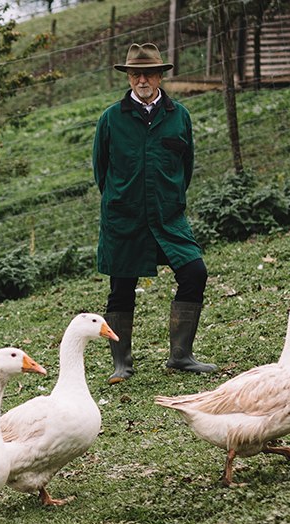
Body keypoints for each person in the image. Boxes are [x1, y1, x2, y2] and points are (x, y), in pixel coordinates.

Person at [92, 42, 215, 383]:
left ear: (161, 76)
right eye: (135, 74)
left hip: (168, 216)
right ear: (128, 77)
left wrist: (168, 197)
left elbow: (185, 168)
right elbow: (100, 170)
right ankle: (122, 364)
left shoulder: (179, 117)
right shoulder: (111, 119)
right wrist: (123, 198)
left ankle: (181, 356)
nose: (141, 80)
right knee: (121, 286)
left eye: (148, 73)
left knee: (194, 272)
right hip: (124, 217)